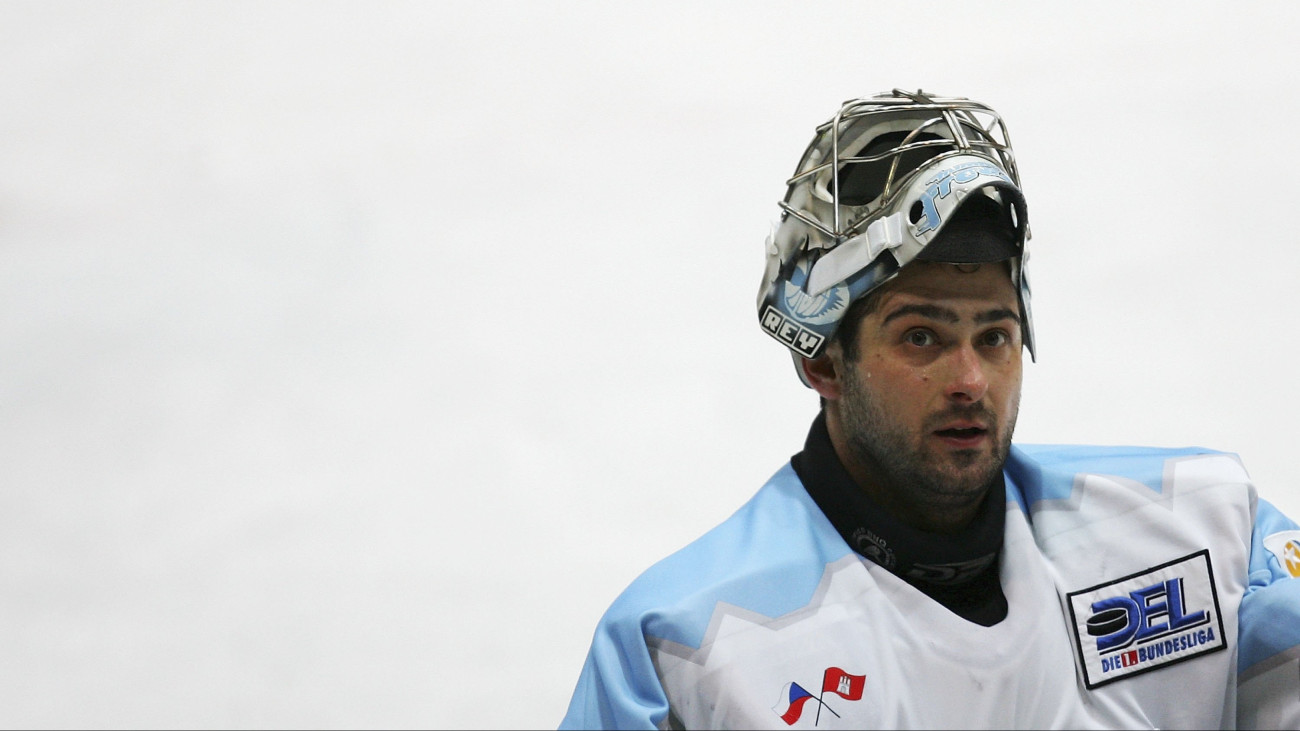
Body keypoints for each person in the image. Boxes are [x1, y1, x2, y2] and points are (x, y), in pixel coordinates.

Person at [558, 89, 1300, 729]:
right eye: (922, 336)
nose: (972, 379)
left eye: (995, 335)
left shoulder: (1207, 533)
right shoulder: (685, 649)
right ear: (821, 358)